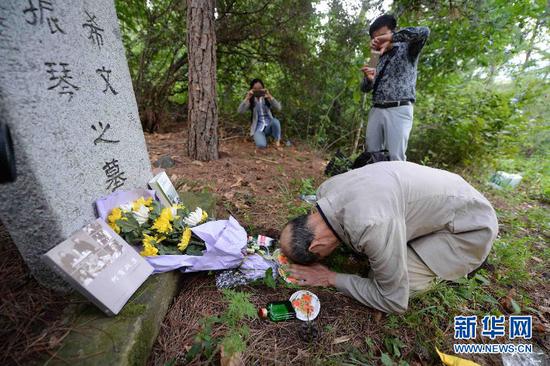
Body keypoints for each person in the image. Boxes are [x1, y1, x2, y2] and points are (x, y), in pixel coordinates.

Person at [279, 162, 498, 314]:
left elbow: (393, 300)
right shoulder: (326, 190)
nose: (325, 258)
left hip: (470, 228)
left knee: (385, 282)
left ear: (317, 244)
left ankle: (460, 266)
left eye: (319, 256)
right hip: (454, 197)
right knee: (380, 261)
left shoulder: (369, 225)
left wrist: (330, 277)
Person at [361, 14, 430, 161]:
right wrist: (368, 80)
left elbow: (424, 32)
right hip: (376, 110)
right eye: (375, 38)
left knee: (395, 157)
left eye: (383, 35)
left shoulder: (407, 49)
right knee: (371, 155)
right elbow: (365, 88)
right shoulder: (375, 56)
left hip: (399, 109)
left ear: (393, 32)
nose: (378, 40)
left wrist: (392, 39)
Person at [237, 78, 282, 149]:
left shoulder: (267, 98)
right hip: (258, 129)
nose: (258, 90)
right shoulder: (251, 100)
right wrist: (247, 98)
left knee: (275, 121)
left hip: (269, 126)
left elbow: (279, 108)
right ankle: (263, 138)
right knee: (261, 146)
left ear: (263, 88)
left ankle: (277, 141)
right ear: (251, 89)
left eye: (260, 88)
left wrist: (270, 96)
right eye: (255, 89)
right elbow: (240, 111)